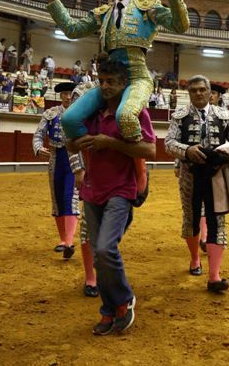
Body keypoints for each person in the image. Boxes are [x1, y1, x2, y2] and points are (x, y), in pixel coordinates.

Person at [42, 0, 189, 143]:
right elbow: (72, 30)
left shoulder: (147, 7)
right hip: (108, 80)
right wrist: (54, 1)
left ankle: (136, 167)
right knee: (69, 119)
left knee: (126, 117)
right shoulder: (103, 12)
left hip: (137, 78)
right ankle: (97, 157)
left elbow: (181, 25)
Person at [67, 58, 156, 335]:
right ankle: (109, 309)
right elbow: (69, 143)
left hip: (121, 190)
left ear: (123, 84)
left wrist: (110, 143)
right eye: (101, 81)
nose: (105, 86)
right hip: (93, 190)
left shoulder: (135, 113)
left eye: (111, 82)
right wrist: (76, 143)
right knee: (98, 255)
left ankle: (124, 299)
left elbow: (150, 152)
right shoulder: (91, 114)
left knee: (105, 248)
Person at [165, 75, 229, 293]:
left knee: (217, 220)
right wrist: (187, 150)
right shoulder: (179, 116)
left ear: (210, 92)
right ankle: (194, 259)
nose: (199, 93)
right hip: (189, 175)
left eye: (202, 89)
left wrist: (226, 151)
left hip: (216, 175)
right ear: (189, 94)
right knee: (191, 219)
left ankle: (214, 276)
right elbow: (168, 143)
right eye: (194, 91)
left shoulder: (225, 116)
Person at [32, 82, 85, 260]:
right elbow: (38, 134)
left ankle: (69, 242)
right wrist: (38, 148)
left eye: (70, 93)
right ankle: (63, 240)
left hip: (75, 158)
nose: (68, 96)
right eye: (64, 94)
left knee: (70, 197)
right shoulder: (51, 113)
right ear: (60, 96)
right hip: (55, 159)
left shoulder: (81, 112)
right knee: (57, 199)